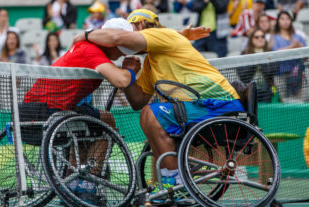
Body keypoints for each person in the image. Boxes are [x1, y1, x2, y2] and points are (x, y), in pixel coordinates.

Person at [73, 9, 244, 192]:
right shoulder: (151, 61)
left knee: (152, 113)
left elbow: (116, 38)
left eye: (129, 31)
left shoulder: (161, 34)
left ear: (141, 25)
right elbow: (137, 101)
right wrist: (130, 73)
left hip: (218, 103)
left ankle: (176, 182)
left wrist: (84, 34)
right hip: (200, 107)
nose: (127, 41)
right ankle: (168, 181)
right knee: (148, 113)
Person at [23, 18, 140, 198]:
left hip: (36, 109)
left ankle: (71, 181)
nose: (123, 51)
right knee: (107, 120)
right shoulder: (91, 51)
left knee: (88, 123)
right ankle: (88, 183)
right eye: (120, 45)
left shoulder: (84, 45)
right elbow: (122, 80)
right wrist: (131, 69)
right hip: (47, 112)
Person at [272, 11, 307, 102]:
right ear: (278, 21)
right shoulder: (274, 37)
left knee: (300, 102)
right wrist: (292, 47)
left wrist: (300, 48)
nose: (285, 21)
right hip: (281, 75)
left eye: (288, 19)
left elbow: (306, 57)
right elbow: (274, 54)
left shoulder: (299, 37)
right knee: (284, 102)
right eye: (282, 19)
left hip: (298, 75)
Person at [238, 28, 275, 102]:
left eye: (262, 36)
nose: (260, 39)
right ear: (251, 39)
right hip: (249, 91)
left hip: (266, 92)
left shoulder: (270, 54)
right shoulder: (244, 54)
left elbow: (272, 72)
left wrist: (261, 60)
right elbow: (242, 75)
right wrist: (255, 61)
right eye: (256, 37)